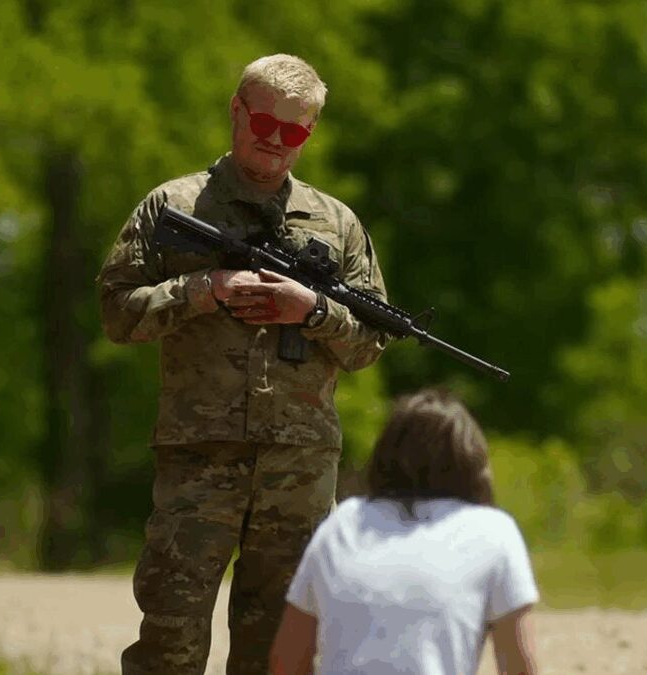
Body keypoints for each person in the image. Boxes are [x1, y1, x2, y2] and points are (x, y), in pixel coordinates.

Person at [97, 53, 391, 675]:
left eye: (295, 131)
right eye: (264, 123)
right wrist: (203, 290)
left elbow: (370, 342)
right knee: (170, 640)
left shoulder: (338, 224)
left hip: (299, 467)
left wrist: (310, 310)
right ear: (236, 110)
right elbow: (117, 314)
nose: (276, 141)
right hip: (200, 457)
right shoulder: (171, 206)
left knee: (282, 648)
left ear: (310, 132)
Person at [268, 388, 541, 675]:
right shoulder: (493, 530)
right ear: (473, 462)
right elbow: (519, 667)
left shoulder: (344, 523)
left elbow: (286, 659)